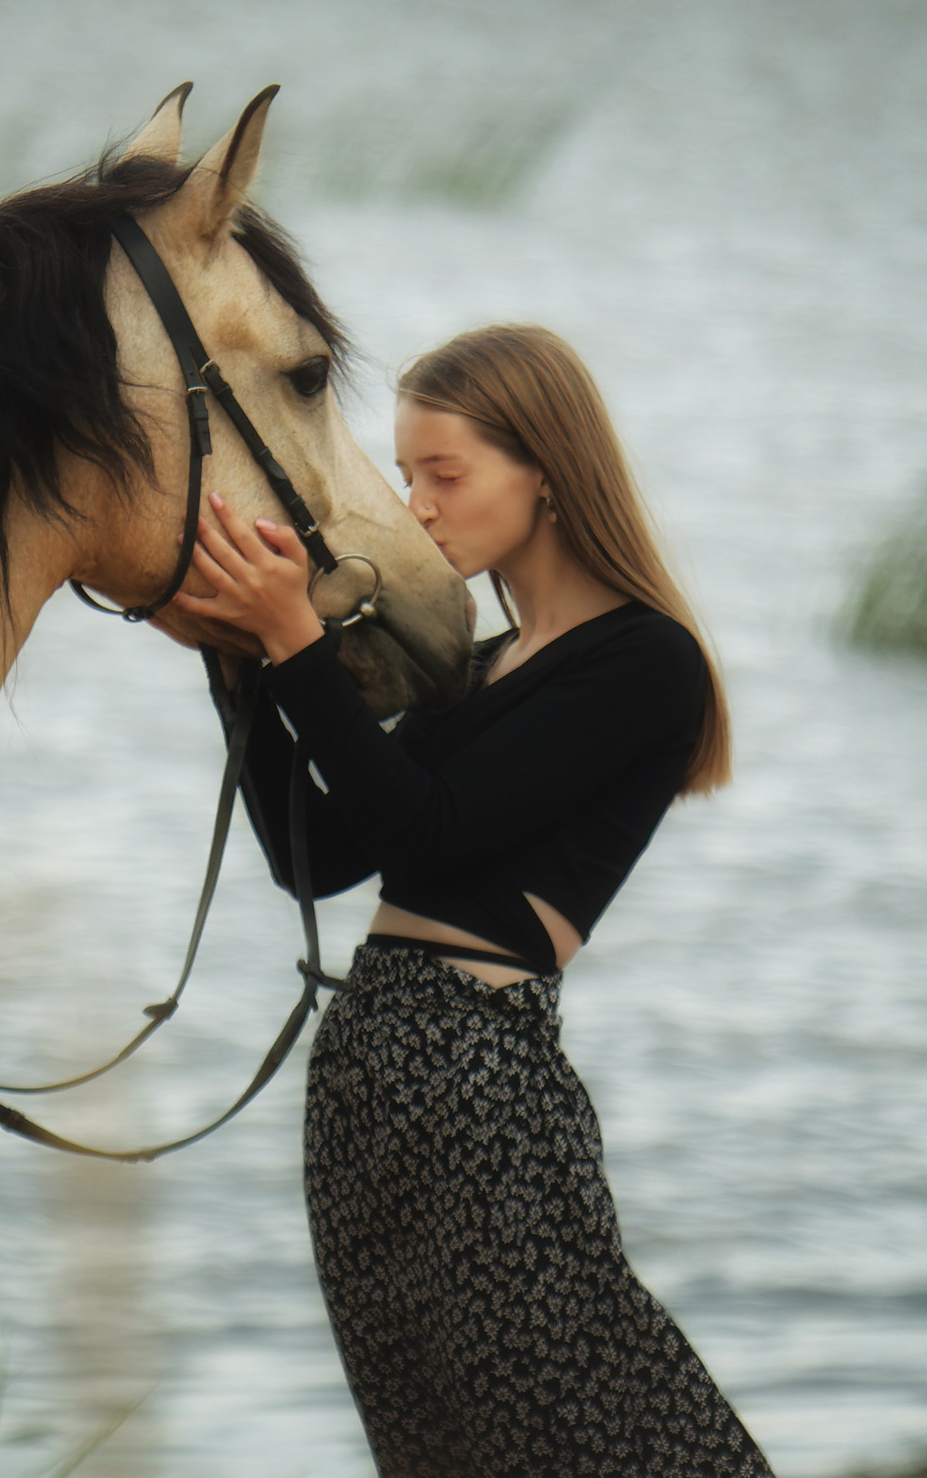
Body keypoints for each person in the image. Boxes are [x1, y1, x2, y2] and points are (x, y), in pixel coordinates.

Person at [171, 323, 772, 1476]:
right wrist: (237, 664)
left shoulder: (645, 663)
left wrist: (297, 640)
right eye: (404, 476)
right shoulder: (477, 667)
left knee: (575, 1429)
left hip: (477, 1078)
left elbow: (426, 833)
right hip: (369, 1076)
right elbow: (325, 858)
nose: (416, 505)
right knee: (432, 1446)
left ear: (543, 470)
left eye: (442, 474)